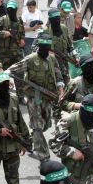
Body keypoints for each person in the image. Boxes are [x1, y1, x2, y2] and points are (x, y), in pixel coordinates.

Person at [8, 32, 64, 161]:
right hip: (34, 97)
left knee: (46, 124)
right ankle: (43, 155)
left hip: (48, 96)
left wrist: (60, 92)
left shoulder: (52, 59)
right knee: (38, 125)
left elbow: (58, 75)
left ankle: (32, 136)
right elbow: (12, 69)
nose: (45, 50)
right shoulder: (30, 59)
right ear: (38, 47)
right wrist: (8, 78)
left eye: (47, 48)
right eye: (42, 48)